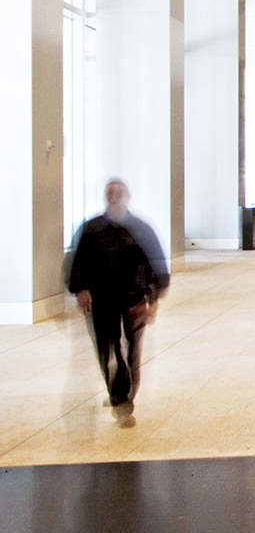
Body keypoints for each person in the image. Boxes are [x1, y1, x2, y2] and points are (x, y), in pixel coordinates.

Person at [66, 179, 169, 428]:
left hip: (133, 298)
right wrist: (81, 289)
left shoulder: (140, 229)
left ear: (127, 196)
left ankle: (126, 396)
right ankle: (118, 391)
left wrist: (153, 298)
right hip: (102, 299)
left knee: (132, 349)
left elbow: (155, 264)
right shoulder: (91, 229)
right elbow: (78, 262)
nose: (113, 196)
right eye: (109, 192)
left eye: (118, 192)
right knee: (107, 348)